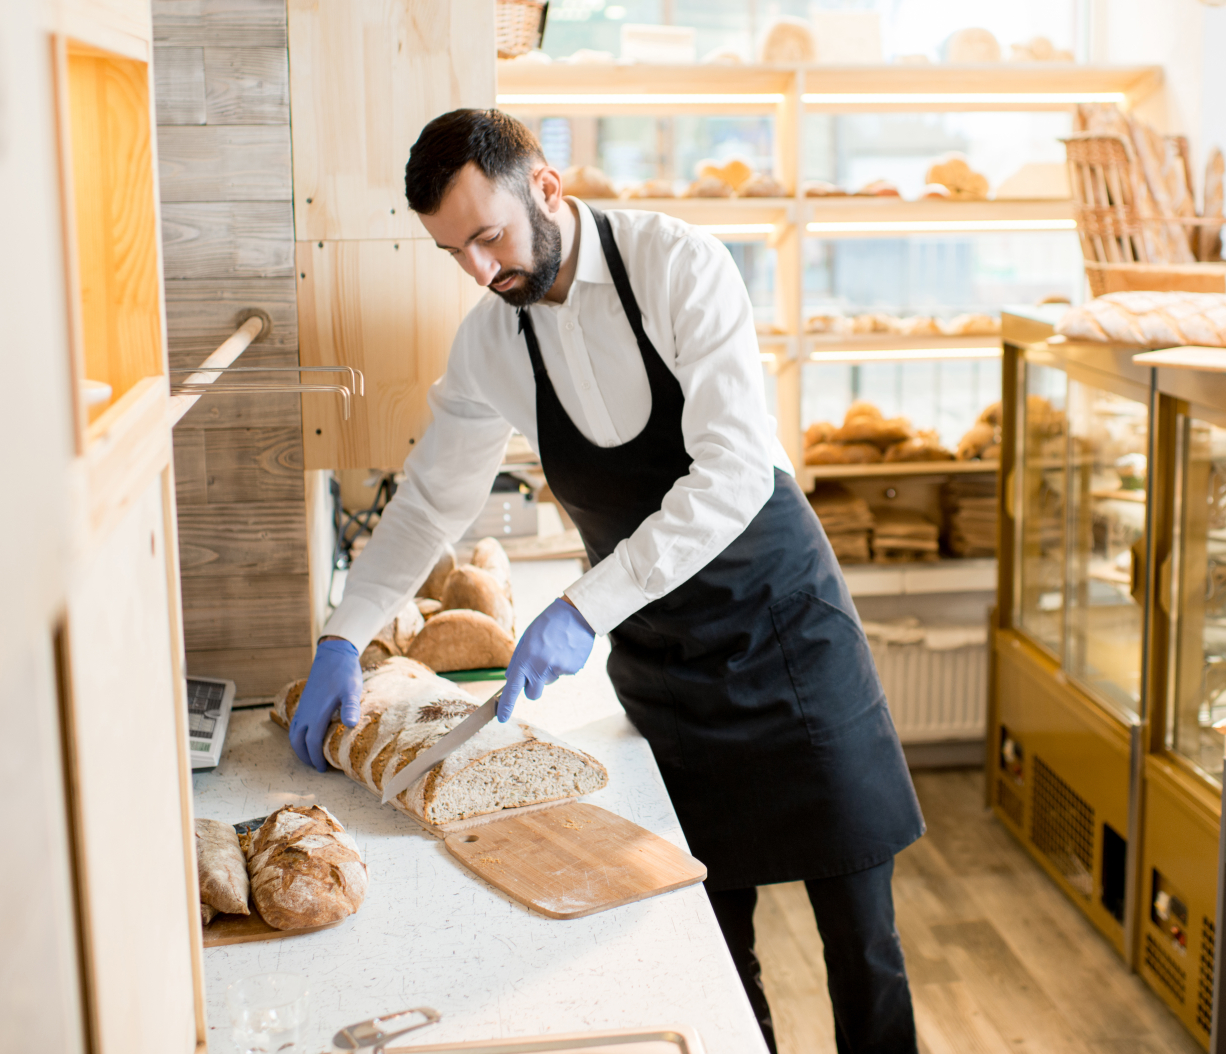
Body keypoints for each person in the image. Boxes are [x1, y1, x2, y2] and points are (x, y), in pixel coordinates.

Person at [287, 109, 923, 1053]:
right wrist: (347, 629)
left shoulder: (681, 266)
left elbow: (735, 473)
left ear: (545, 186)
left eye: (487, 235)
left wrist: (585, 606)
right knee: (710, 928)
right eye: (452, 250)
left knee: (861, 941)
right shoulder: (491, 344)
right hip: (667, 668)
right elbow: (429, 506)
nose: (477, 269)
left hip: (786, 637)